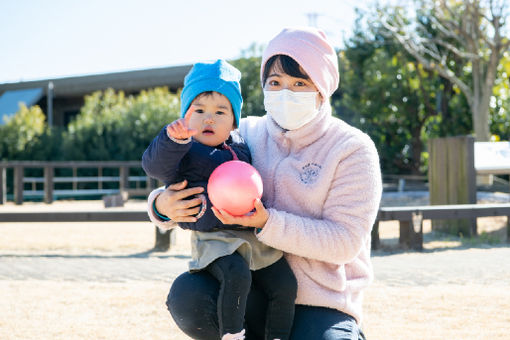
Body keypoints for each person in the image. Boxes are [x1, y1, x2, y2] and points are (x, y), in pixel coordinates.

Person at [148, 27, 382, 340]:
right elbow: (186, 168)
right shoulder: (242, 133)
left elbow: (345, 242)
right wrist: (161, 206)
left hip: (323, 303)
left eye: (300, 83)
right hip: (251, 290)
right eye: (275, 82)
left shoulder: (351, 148)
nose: (286, 92)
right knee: (188, 294)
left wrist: (267, 222)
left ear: (323, 88)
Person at [142, 59, 297, 340]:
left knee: (284, 283)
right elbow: (154, 167)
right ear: (185, 116)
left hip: (251, 237)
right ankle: (232, 335)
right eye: (198, 110)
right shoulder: (184, 151)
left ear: (234, 121)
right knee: (236, 274)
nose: (209, 118)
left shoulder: (242, 146)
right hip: (215, 240)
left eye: (220, 112)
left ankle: (278, 335)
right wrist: (171, 140)